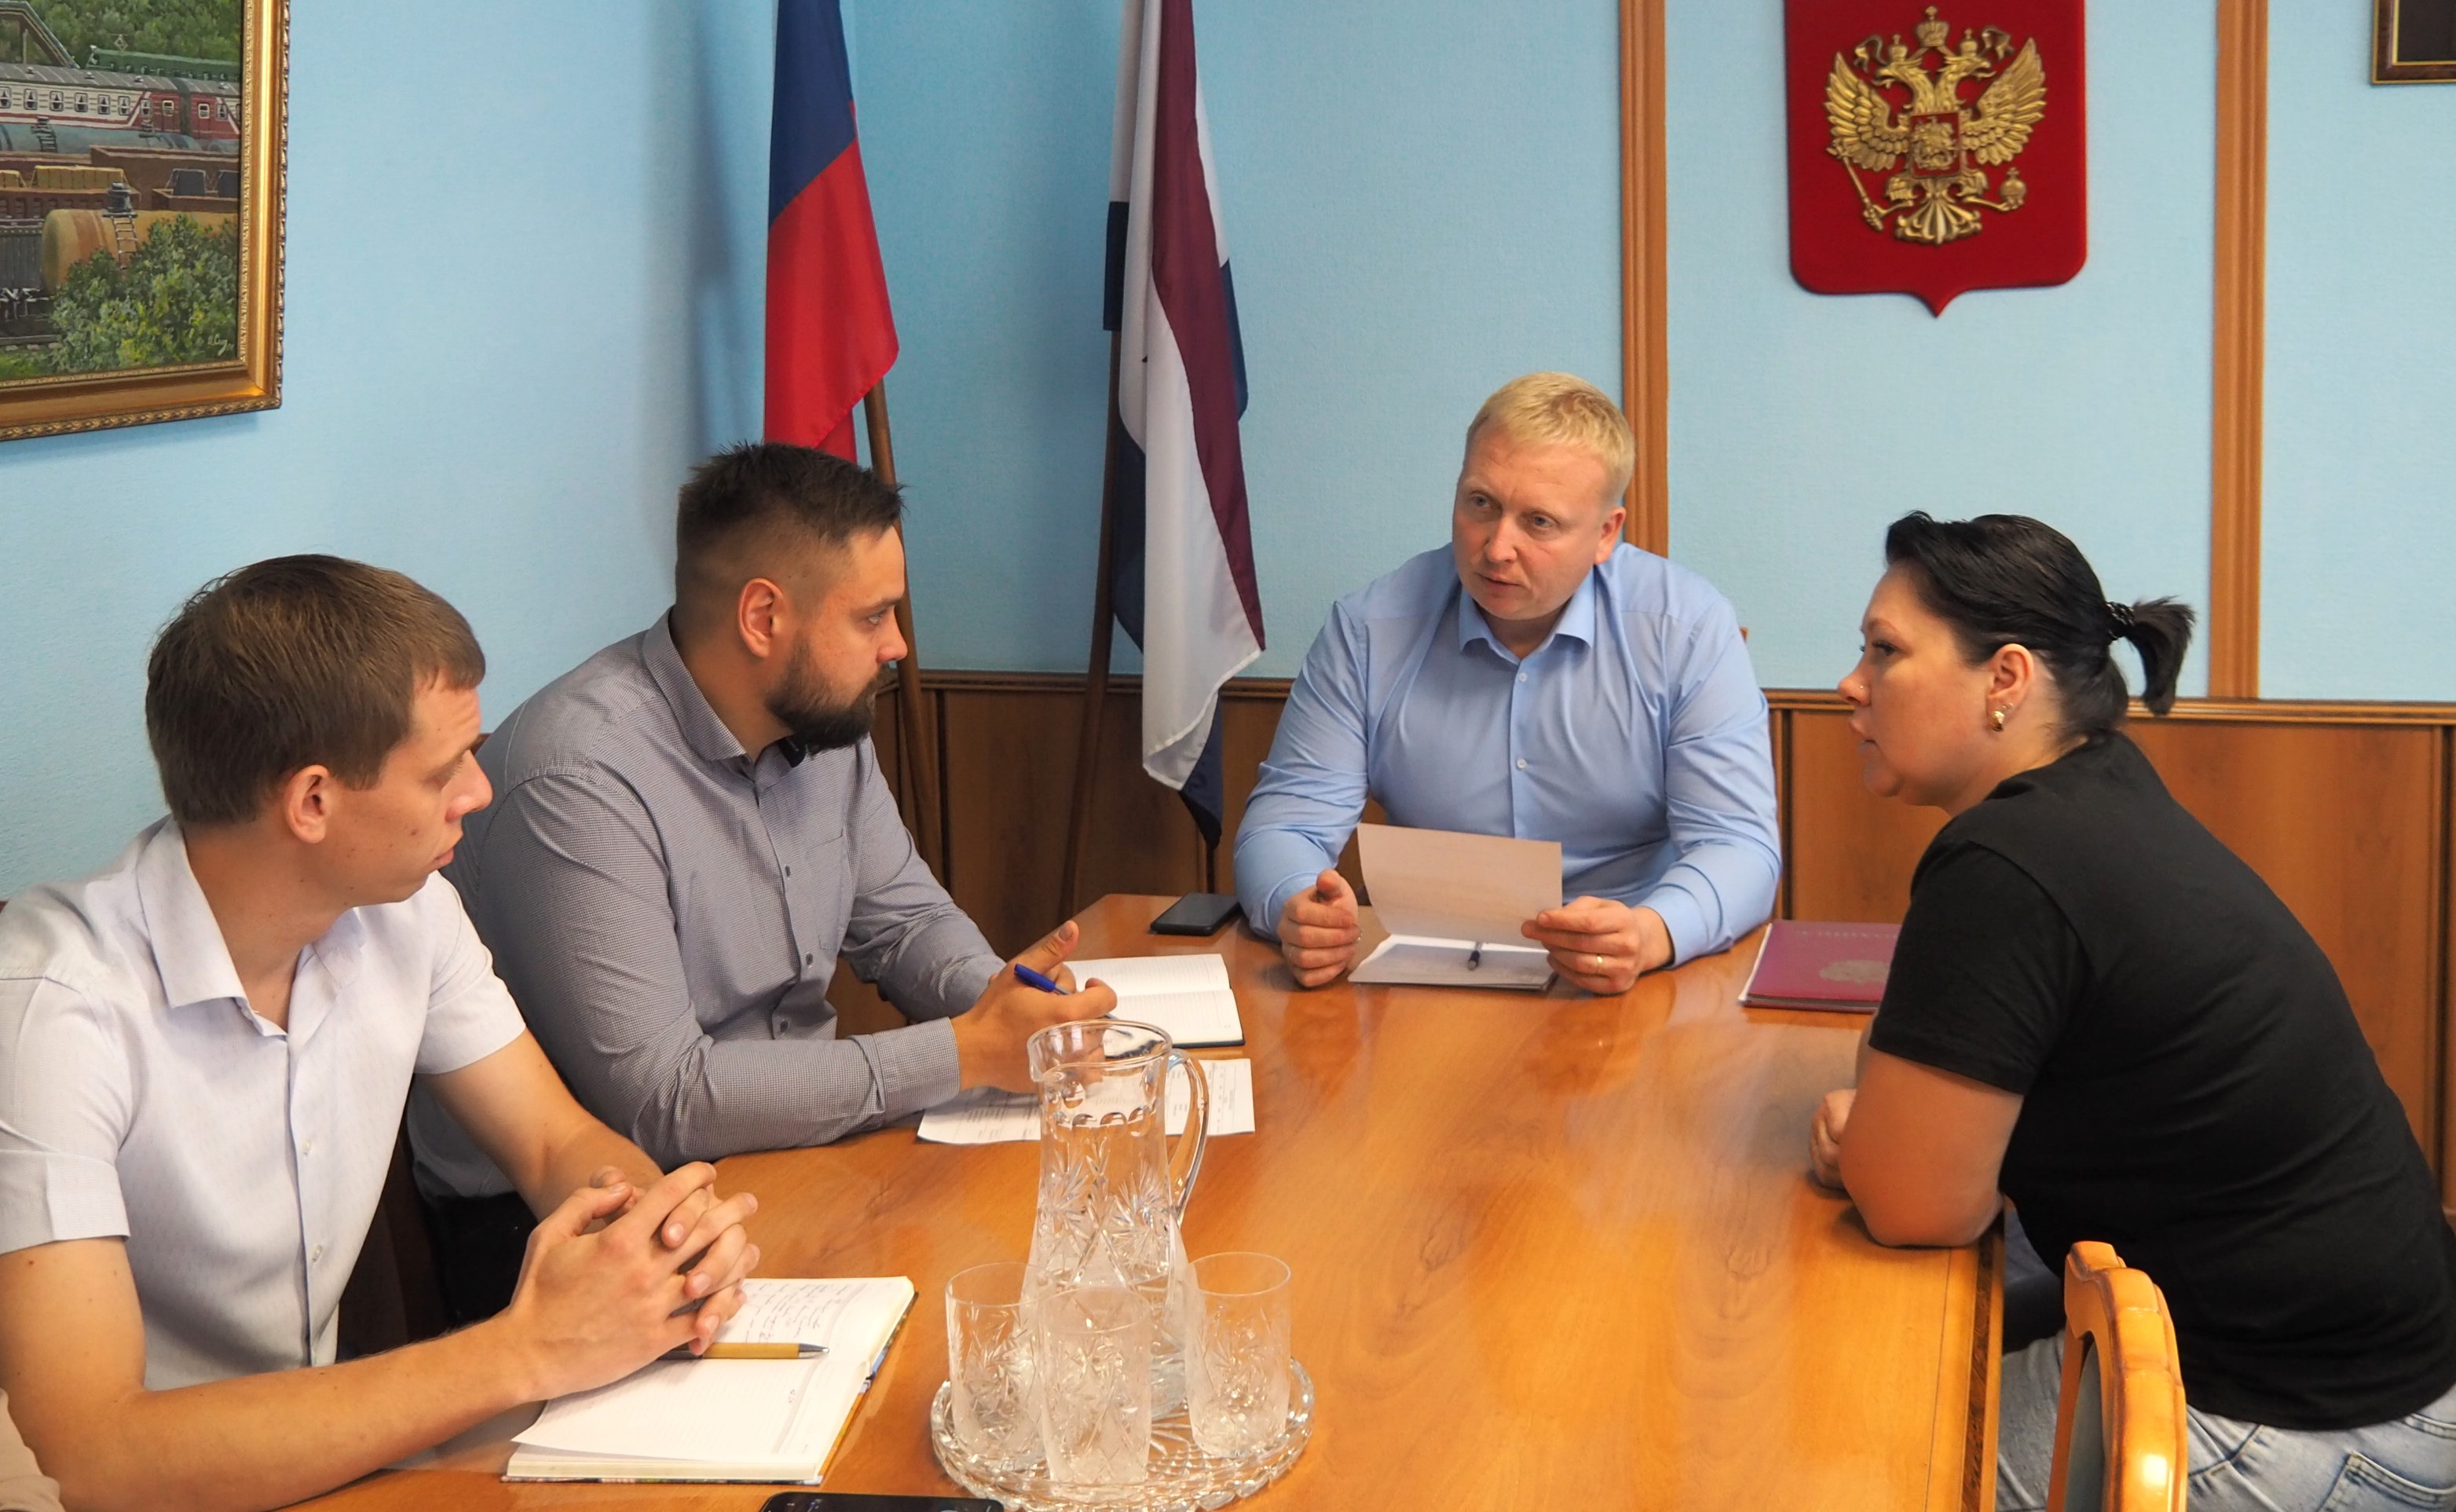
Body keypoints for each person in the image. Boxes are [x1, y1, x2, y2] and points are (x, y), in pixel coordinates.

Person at [0, 558, 761, 1512]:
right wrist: (527, 1345)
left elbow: (550, 1138)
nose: (478, 793)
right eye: (446, 769)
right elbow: (93, 1456)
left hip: (326, 1464)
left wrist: (665, 1241)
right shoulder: (51, 1005)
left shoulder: (409, 911)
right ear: (313, 801)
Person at [1808, 513, 2456, 1511]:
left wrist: (1874, 1141)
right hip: (2381, 1365)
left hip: (2301, 1417)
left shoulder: (2007, 863)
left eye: (1884, 650)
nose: (1851, 682)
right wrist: (1891, 1132)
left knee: (1841, 1457)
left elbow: (1914, 1203)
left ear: (2005, 679)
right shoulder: (2087, 792)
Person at [408, 442, 1115, 1318]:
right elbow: (665, 1100)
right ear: (762, 617)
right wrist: (967, 1050)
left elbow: (901, 918)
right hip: (567, 1226)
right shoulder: (578, 776)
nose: (898, 645)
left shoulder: (823, 719)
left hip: (789, 1155)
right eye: (873, 616)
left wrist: (1012, 1008)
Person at [1233, 372, 1779, 991]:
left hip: (1629, 975)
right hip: (1425, 972)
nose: (1496, 548)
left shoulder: (1684, 629)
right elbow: (1285, 827)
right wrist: (1295, 907)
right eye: (1481, 504)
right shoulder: (1369, 629)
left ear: (1606, 533)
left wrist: (1650, 931)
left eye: (1539, 522)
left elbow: (1738, 846)